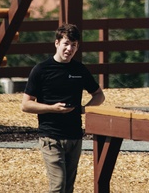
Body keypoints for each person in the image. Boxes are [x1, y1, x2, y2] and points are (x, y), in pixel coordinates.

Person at [21, 23, 106, 193]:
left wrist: (83, 109)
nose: (69, 49)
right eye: (66, 43)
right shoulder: (41, 70)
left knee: (68, 188)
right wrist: (53, 108)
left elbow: (99, 95)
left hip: (74, 136)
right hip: (51, 136)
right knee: (58, 186)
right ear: (57, 43)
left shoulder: (80, 70)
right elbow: (26, 105)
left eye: (73, 45)